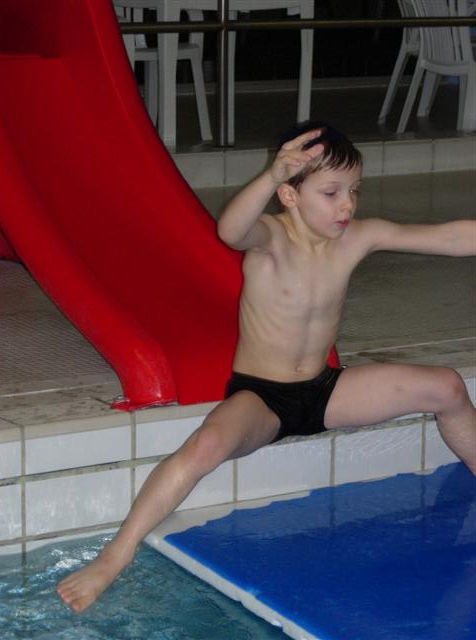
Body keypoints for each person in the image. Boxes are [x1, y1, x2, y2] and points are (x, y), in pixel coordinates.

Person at [58, 122, 476, 613]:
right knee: (206, 445)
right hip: (261, 397)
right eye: (331, 193)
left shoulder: (359, 237)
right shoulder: (272, 238)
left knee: (447, 386)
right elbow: (230, 230)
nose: (347, 205)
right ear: (289, 195)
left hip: (325, 389)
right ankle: (116, 556)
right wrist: (270, 174)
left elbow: (452, 236)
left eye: (354, 191)